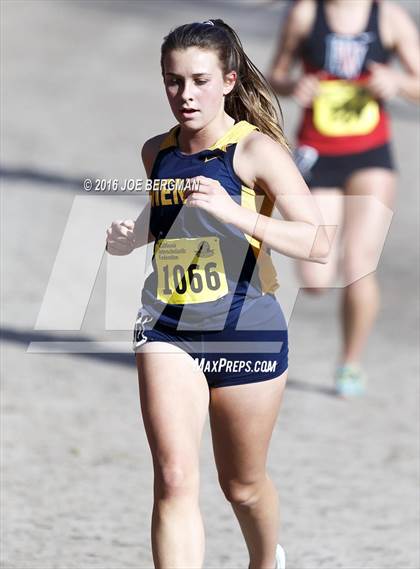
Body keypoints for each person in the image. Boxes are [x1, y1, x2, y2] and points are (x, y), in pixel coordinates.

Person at [106, 19, 329, 569]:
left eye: (200, 81)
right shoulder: (155, 152)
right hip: (167, 327)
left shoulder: (255, 152)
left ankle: (264, 560)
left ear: (229, 81)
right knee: (174, 478)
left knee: (242, 485)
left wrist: (235, 213)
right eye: (173, 81)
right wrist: (132, 234)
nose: (186, 95)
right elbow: (168, 212)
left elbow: (318, 243)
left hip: (245, 329)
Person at [269, 0, 420, 396]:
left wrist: (398, 82)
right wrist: (293, 84)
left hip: (372, 155)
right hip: (318, 153)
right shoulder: (305, 13)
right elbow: (275, 75)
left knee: (359, 265)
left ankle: (350, 363)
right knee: (317, 276)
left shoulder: (389, 17)